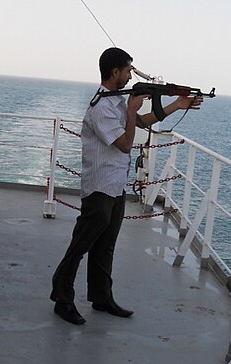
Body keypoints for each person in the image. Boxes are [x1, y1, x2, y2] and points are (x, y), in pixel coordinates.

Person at [50, 47, 202, 325]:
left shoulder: (116, 102)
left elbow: (142, 121)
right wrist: (132, 111)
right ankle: (62, 298)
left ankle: (101, 297)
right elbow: (124, 145)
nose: (131, 75)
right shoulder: (100, 108)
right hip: (99, 188)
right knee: (80, 246)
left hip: (116, 186)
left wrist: (175, 105)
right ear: (114, 72)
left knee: (105, 247)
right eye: (128, 69)